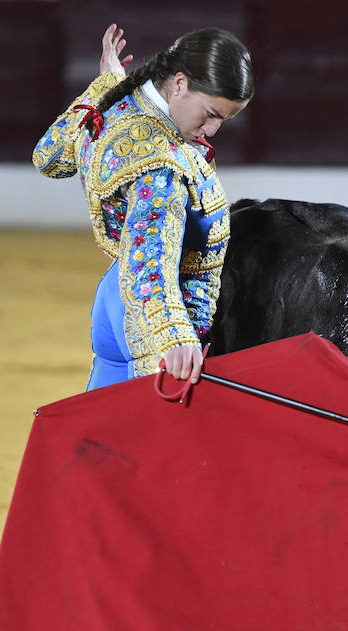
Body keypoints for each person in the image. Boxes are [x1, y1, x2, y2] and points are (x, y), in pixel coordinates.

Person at [33, 24, 254, 390]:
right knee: (160, 442)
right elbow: (149, 258)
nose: (212, 130)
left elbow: (50, 157)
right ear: (180, 83)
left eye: (223, 120)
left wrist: (104, 85)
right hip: (154, 319)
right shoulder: (160, 164)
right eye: (210, 113)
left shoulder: (119, 103)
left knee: (98, 435)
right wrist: (174, 338)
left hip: (114, 299)